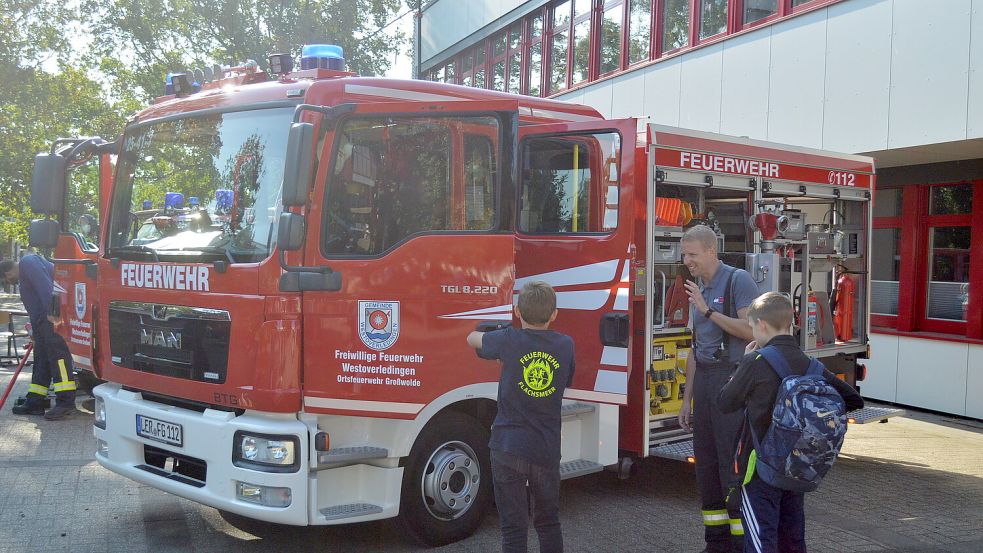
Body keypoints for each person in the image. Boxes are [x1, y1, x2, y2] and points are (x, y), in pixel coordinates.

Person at [718, 292, 863, 552]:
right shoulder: (811, 365)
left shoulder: (756, 361)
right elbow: (853, 400)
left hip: (759, 467)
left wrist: (742, 364)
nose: (752, 333)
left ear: (761, 324)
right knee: (793, 538)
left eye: (752, 327)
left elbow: (725, 402)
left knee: (762, 541)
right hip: (796, 466)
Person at [466, 281, 575, 553]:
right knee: (548, 522)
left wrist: (494, 332)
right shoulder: (565, 344)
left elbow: (471, 339)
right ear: (554, 314)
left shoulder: (508, 339)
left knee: (513, 528)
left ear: (517, 311)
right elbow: (567, 380)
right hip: (545, 449)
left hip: (507, 446)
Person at [677, 224, 759, 553]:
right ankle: (716, 543)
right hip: (706, 382)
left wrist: (707, 310)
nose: (687, 261)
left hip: (731, 379)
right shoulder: (699, 285)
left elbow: (751, 329)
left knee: (731, 465)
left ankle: (741, 544)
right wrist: (686, 402)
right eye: (684, 254)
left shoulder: (737, 280)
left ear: (712, 251)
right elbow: (697, 351)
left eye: (693, 254)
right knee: (706, 466)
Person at [0, 255, 78, 420]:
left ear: (7, 273)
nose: (10, 282)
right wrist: (36, 332)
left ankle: (65, 402)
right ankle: (35, 401)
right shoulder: (26, 272)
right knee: (41, 360)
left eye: (7, 280)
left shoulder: (28, 263)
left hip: (51, 319)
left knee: (59, 359)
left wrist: (52, 313)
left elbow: (46, 288)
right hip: (42, 322)